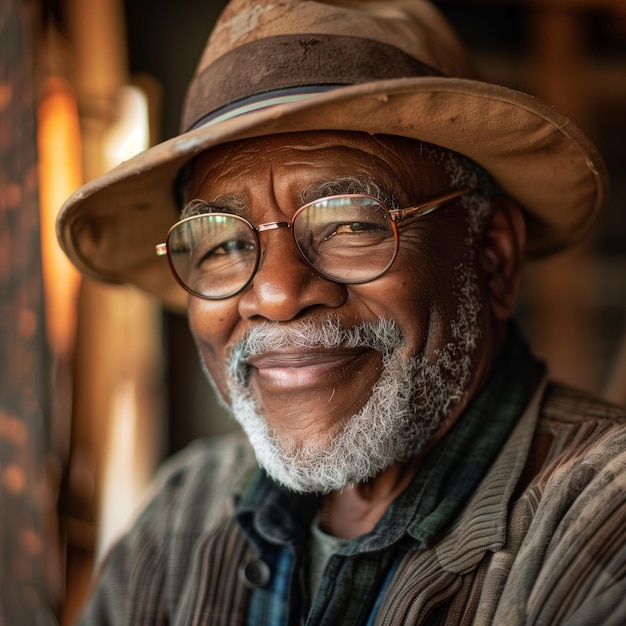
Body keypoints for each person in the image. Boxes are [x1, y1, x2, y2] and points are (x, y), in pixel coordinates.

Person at [57, 0, 626, 624]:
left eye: (351, 224)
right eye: (223, 243)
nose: (275, 294)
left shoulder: (602, 518)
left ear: (490, 256)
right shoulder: (184, 513)